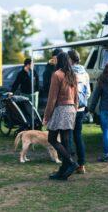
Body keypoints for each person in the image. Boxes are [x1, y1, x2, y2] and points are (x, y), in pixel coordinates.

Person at [43, 52, 78, 180]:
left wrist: (46, 116)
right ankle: (63, 172)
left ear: (60, 61)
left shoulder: (57, 74)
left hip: (61, 109)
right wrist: (74, 109)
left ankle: (70, 162)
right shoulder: (72, 75)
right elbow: (76, 96)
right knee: (65, 141)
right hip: (71, 109)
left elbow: (52, 98)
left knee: (52, 138)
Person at [68, 50, 91, 173]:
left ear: (70, 60)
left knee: (69, 135)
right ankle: (82, 165)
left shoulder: (69, 73)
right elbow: (88, 93)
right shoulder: (85, 73)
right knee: (78, 135)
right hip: (81, 108)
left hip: (70, 107)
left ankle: (71, 163)